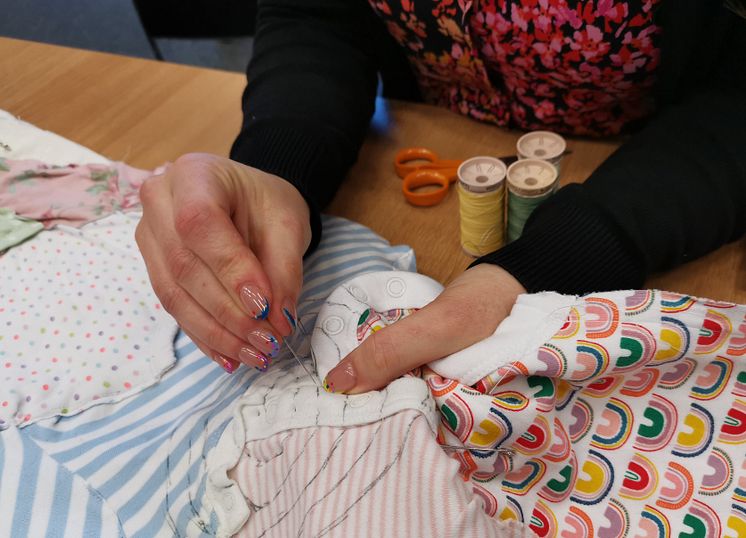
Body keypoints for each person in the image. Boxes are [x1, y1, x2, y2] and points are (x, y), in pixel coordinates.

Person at [136, 0, 746, 392]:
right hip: (437, 124)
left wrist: (572, 252)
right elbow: (316, 17)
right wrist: (277, 170)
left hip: (664, 167)